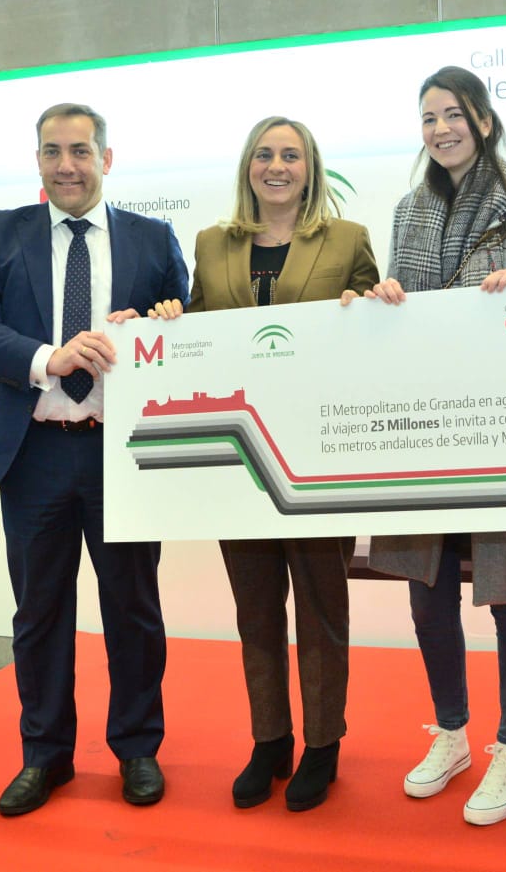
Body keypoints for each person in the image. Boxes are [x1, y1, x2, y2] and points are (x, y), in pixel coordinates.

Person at [0, 102, 189, 816]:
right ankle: (45, 755)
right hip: (34, 455)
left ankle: (137, 747)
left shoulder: (152, 238)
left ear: (106, 159)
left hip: (123, 454)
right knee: (39, 614)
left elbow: (188, 328)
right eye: (52, 152)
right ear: (37, 162)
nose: (66, 165)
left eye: (80, 151)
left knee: (134, 610)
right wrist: (46, 358)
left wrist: (162, 325)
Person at [350, 65, 506, 827]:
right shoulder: (407, 212)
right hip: (423, 428)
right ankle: (450, 731)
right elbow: (395, 321)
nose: (441, 128)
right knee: (427, 589)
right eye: (429, 117)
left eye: (453, 114)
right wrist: (383, 299)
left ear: (483, 119)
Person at [149, 116, 379, 811]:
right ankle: (270, 739)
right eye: (264, 154)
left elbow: (374, 339)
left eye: (291, 155)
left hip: (319, 456)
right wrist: (168, 321)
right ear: (248, 166)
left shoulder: (348, 239)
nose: (276, 166)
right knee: (255, 609)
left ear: (310, 169)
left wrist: (368, 308)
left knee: (321, 607)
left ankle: (323, 744)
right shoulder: (211, 243)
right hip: (240, 456)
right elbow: (197, 333)